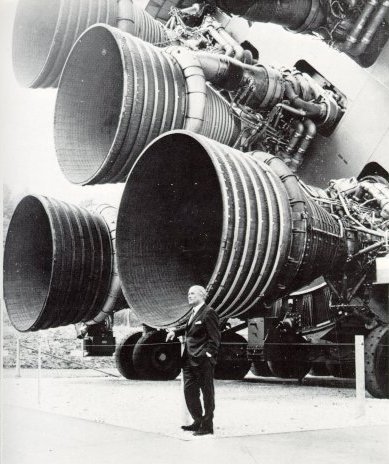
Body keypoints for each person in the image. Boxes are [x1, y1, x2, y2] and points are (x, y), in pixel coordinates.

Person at [166, 285, 221, 435]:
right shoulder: (194, 312)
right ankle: (197, 421)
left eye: (192, 293)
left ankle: (207, 425)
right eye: (188, 293)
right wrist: (174, 331)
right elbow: (189, 327)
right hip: (188, 360)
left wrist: (208, 356)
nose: (189, 296)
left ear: (202, 295)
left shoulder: (209, 313)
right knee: (189, 391)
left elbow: (215, 338)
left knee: (207, 393)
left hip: (203, 360)